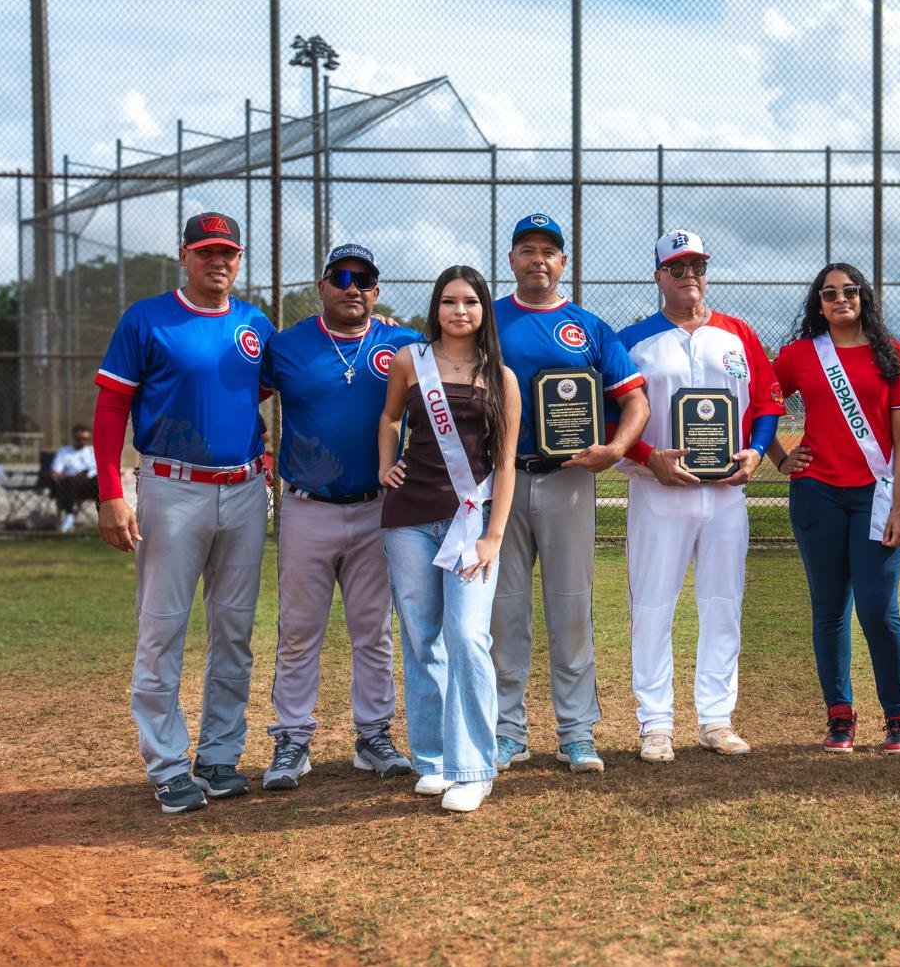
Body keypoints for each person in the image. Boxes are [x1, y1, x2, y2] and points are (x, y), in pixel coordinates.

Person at [94, 212, 273, 814]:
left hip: (246, 489)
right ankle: (168, 765)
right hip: (171, 487)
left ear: (238, 258)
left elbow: (259, 391)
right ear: (184, 256)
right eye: (205, 251)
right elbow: (110, 409)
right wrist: (111, 490)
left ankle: (220, 757)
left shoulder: (255, 323)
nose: (216, 261)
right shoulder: (147, 318)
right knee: (162, 627)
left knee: (234, 630)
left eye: (227, 251)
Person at [616, 229, 785, 762]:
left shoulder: (738, 333)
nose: (690, 276)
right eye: (678, 267)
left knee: (722, 603)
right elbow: (611, 413)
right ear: (658, 275)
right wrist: (647, 458)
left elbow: (767, 401)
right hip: (659, 489)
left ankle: (716, 717)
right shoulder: (632, 339)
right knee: (653, 605)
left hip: (727, 492)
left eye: (698, 266)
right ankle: (656, 722)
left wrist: (757, 451)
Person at [258, 243, 422, 791]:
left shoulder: (402, 343)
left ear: (377, 291)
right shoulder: (287, 346)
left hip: (378, 507)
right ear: (323, 285)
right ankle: (292, 739)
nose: (353, 287)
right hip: (308, 505)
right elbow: (244, 398)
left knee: (373, 630)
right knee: (300, 629)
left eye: (365, 279)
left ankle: (373, 736)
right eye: (342, 277)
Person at [491, 213, 649, 776]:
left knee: (571, 609)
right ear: (511, 259)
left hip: (571, 480)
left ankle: (577, 733)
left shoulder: (588, 326)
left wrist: (616, 448)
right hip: (500, 479)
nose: (538, 259)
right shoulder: (486, 320)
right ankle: (508, 733)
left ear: (563, 262)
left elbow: (635, 401)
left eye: (548, 251)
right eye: (527, 249)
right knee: (504, 614)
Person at [378, 266, 520, 813]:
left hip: (471, 523)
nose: (459, 311)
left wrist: (493, 536)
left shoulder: (500, 377)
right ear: (435, 307)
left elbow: (505, 463)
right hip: (408, 518)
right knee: (421, 639)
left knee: (467, 636)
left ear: (484, 310)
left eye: (470, 302)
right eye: (449, 301)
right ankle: (433, 760)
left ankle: (475, 767)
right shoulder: (410, 361)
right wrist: (385, 466)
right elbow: (390, 419)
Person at [769, 263, 900, 754]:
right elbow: (760, 405)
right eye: (829, 293)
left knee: (879, 610)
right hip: (818, 493)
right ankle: (840, 716)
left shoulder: (893, 355)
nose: (841, 299)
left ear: (864, 298)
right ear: (819, 304)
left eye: (850, 291)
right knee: (830, 609)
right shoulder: (798, 355)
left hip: (877, 498)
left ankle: (899, 717)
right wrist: (780, 459)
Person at [49, 423, 99, 533]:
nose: (82, 442)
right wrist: (73, 476)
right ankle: (69, 516)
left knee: (101, 481)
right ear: (73, 437)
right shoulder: (64, 452)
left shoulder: (92, 451)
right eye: (79, 439)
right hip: (71, 486)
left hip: (91, 484)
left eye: (85, 439)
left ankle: (104, 515)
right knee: (70, 481)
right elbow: (55, 473)